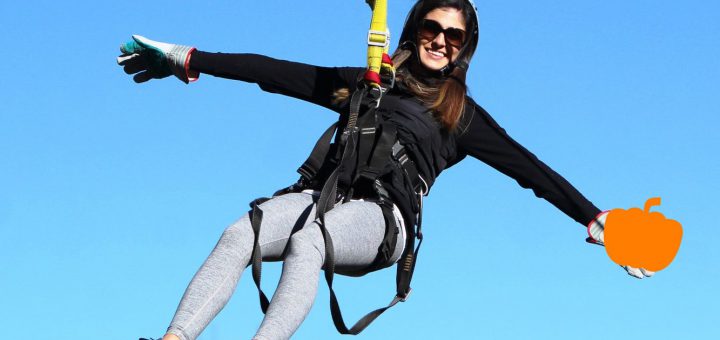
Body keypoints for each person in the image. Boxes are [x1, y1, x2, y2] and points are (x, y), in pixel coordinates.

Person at [118, 1, 654, 339]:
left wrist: (596, 219)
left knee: (310, 243)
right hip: (323, 195)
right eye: (432, 27)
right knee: (242, 232)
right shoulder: (369, 82)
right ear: (415, 27)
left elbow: (530, 169)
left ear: (465, 48)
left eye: (455, 35)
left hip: (384, 218)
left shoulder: (461, 114)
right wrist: (188, 59)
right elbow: (276, 73)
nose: (441, 40)